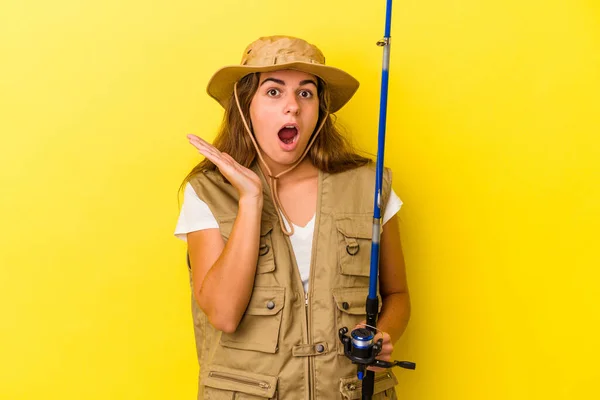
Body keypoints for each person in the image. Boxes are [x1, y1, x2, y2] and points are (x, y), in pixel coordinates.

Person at [174, 35, 410, 399]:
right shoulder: (206, 192)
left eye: (305, 93)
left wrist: (383, 335)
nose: (292, 107)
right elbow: (223, 314)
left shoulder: (370, 185)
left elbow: (397, 294)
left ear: (320, 107)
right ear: (245, 104)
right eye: (273, 92)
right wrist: (250, 200)